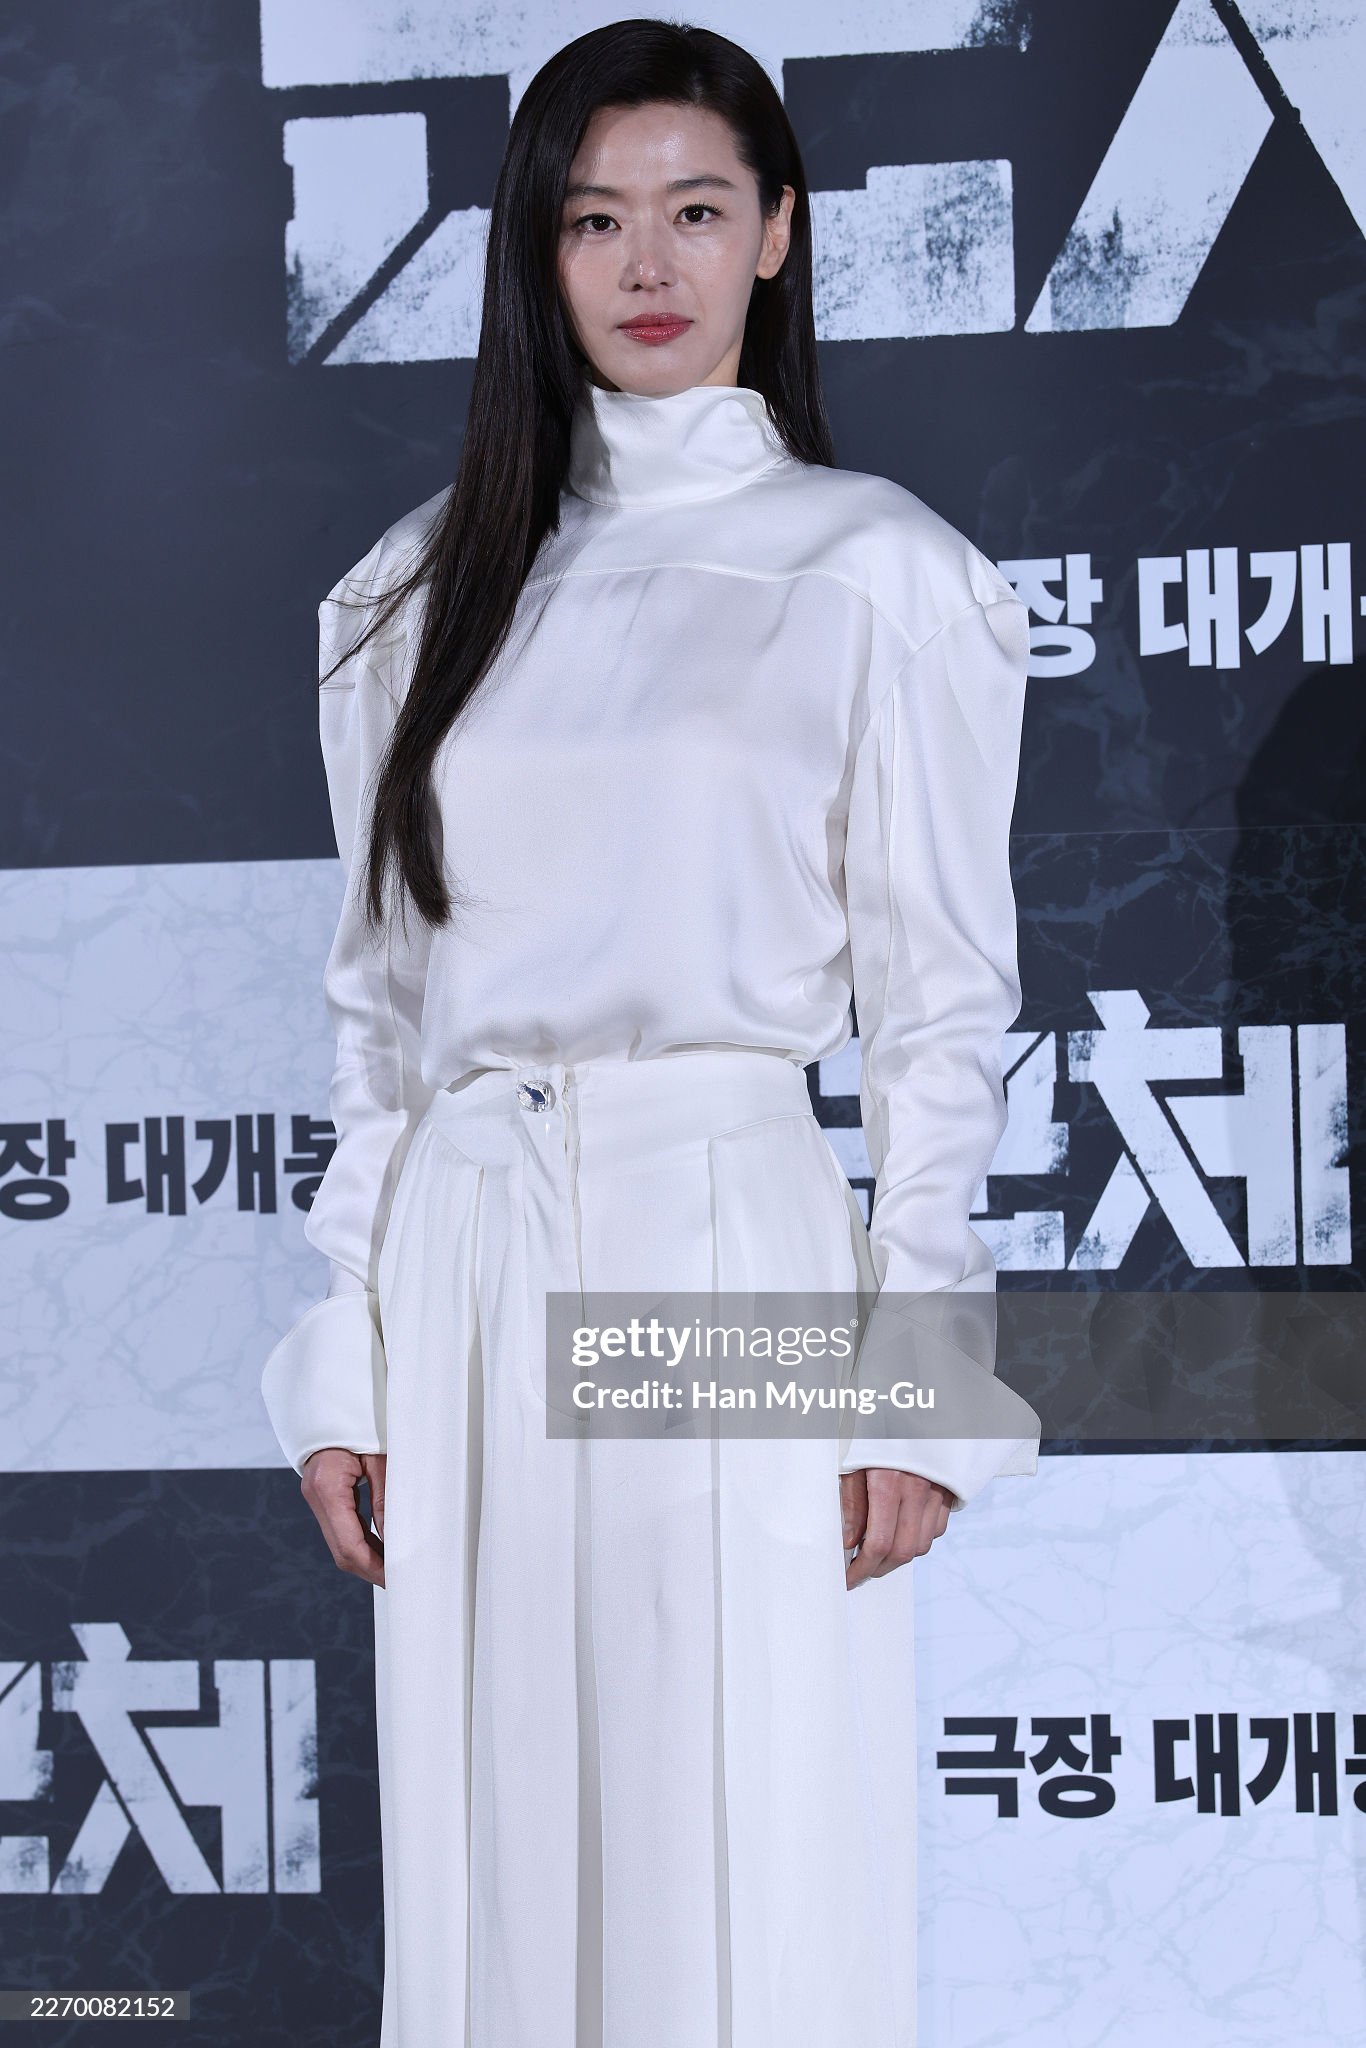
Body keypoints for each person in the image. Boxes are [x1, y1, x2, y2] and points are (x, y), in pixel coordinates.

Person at [261, 18, 1041, 2047]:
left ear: (777, 233)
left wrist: (916, 1372)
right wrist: (347, 1343)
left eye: (695, 210)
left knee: (741, 1828)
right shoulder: (406, 595)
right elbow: (379, 1012)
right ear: (533, 251)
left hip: (724, 1232)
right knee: (495, 1852)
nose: (646, 263)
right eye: (592, 219)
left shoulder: (877, 572)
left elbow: (941, 1004)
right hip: (469, 1249)